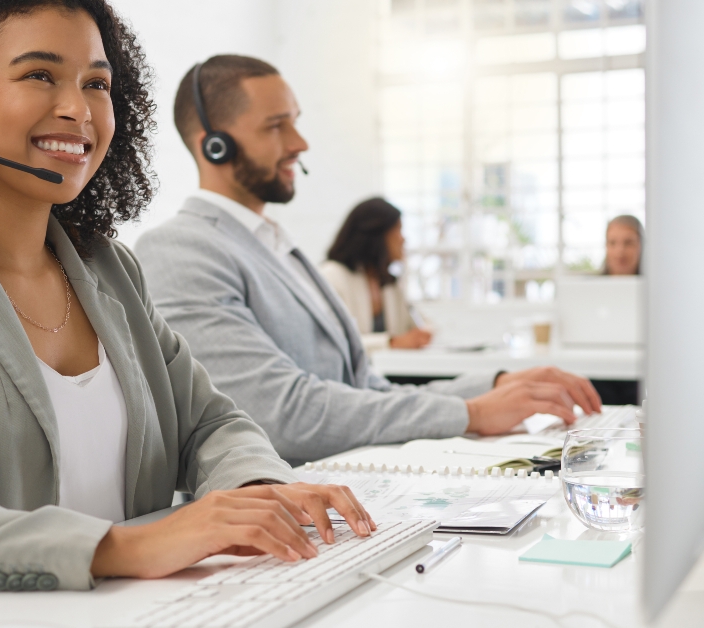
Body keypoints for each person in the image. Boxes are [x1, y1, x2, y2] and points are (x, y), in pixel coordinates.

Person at [0, 1, 376, 599]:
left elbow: (211, 423)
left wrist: (254, 494)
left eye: (97, 83)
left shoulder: (108, 270)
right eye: (39, 75)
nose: (78, 109)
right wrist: (116, 548)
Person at [133, 55, 602, 466]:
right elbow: (281, 415)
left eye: (295, 121)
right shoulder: (179, 251)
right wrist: (473, 413)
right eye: (277, 126)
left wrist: (493, 384)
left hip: (349, 494)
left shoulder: (278, 247)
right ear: (212, 143)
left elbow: (368, 393)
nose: (300, 142)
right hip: (279, 518)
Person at [319, 197, 431, 352]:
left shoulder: (389, 282)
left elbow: (419, 326)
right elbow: (332, 341)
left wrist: (422, 335)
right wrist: (391, 343)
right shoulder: (331, 276)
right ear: (376, 235)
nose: (403, 239)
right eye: (398, 230)